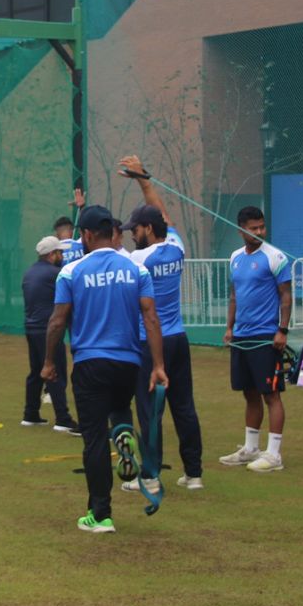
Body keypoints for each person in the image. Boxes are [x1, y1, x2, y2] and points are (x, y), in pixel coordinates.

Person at [44, 204, 167, 535]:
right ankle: (124, 430)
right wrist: (157, 365)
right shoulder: (135, 270)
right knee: (119, 407)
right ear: (112, 233)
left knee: (94, 437)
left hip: (90, 362)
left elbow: (57, 321)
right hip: (128, 361)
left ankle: (100, 514)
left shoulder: (71, 272)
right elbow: (151, 317)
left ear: (84, 235)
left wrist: (48, 362)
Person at [116, 156, 204, 495]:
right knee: (184, 407)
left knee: (150, 412)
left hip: (150, 343)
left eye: (134, 229)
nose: (131, 235)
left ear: (148, 230)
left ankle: (150, 476)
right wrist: (144, 181)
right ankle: (193, 474)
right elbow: (164, 216)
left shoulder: (139, 259)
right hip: (178, 340)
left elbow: (111, 253)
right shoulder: (176, 247)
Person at [219, 206, 292, 474]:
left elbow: (285, 296)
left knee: (270, 394)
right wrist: (229, 328)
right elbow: (234, 296)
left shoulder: (275, 257)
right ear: (241, 230)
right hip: (241, 336)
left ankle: (273, 455)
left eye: (262, 226)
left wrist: (282, 330)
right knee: (249, 393)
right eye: (254, 228)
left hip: (266, 337)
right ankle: (250, 448)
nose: (260, 232)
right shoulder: (235, 258)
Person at [20, 236, 79, 434]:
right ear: (52, 254)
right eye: (60, 252)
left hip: (31, 328)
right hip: (48, 330)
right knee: (55, 371)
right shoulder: (56, 273)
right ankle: (63, 418)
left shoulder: (29, 272)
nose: (62, 256)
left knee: (37, 371)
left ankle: (31, 414)